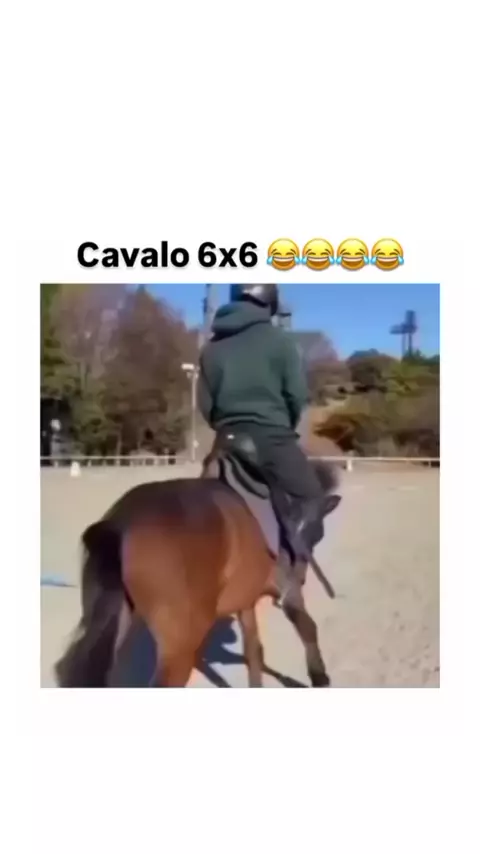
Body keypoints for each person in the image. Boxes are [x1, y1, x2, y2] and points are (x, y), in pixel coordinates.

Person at [198, 283, 325, 551]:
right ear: (271, 302)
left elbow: (206, 404)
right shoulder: (281, 342)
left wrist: (224, 425)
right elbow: (296, 395)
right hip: (272, 437)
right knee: (313, 496)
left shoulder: (211, 349)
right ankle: (292, 564)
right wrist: (284, 425)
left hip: (226, 441)